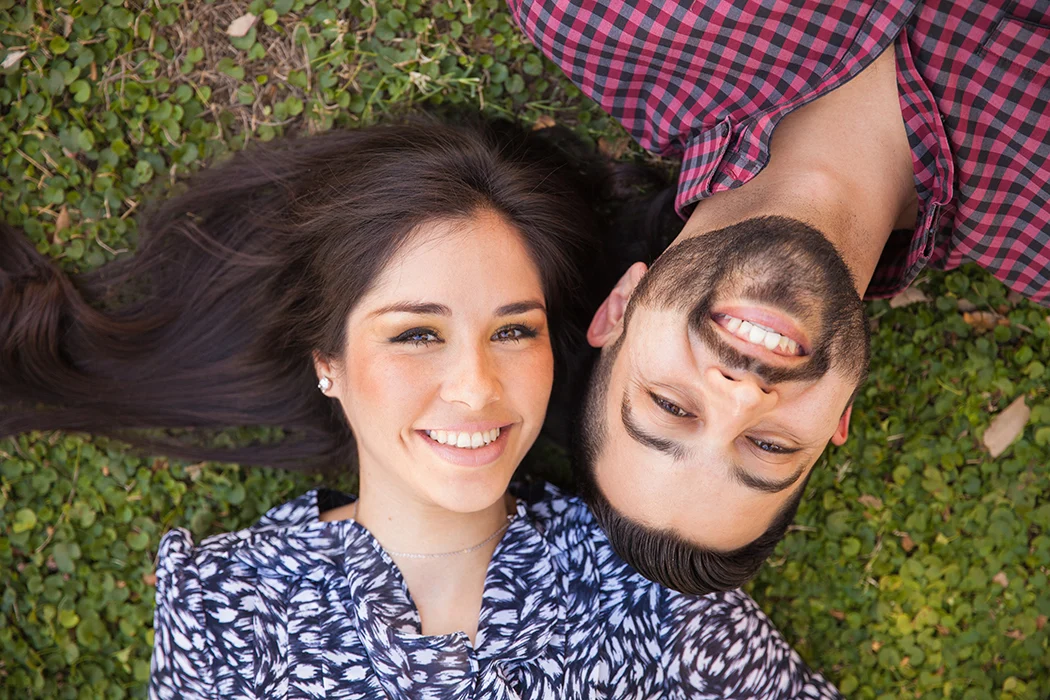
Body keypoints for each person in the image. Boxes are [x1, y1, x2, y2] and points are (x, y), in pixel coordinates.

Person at [0, 119, 841, 698]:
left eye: (514, 330)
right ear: (328, 360)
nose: (475, 388)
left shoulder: (648, 580)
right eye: (414, 336)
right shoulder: (227, 605)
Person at [507, 0, 1050, 594]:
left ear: (620, 308)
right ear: (839, 416)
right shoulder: (1037, 231)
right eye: (769, 445)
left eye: (671, 407)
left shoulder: (596, 19)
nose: (742, 399)